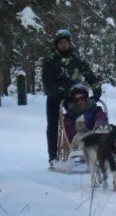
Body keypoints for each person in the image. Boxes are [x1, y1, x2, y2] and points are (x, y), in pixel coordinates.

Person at [43, 28, 100, 168]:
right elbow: (47, 83)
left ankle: (81, 146)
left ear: (69, 43)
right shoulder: (50, 59)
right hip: (55, 94)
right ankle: (53, 157)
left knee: (80, 117)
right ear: (57, 44)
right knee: (53, 124)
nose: (63, 45)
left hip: (73, 94)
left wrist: (96, 88)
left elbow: (88, 73)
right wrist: (59, 92)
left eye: (65, 42)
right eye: (61, 43)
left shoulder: (75, 57)